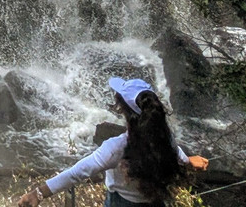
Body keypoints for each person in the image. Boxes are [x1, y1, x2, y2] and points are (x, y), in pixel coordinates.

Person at [17, 77, 209, 207]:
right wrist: (188, 161)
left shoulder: (117, 147)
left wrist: (38, 194)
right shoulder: (164, 137)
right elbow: (175, 153)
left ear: (123, 111)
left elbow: (77, 173)